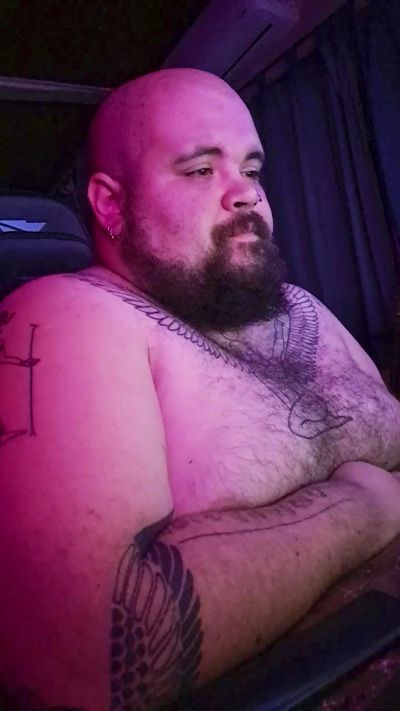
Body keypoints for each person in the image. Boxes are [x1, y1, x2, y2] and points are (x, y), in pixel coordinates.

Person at [0, 68, 400, 711]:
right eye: (201, 169)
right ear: (111, 206)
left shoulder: (304, 309)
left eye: (252, 169)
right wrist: (361, 506)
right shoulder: (69, 316)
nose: (247, 195)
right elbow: (77, 661)